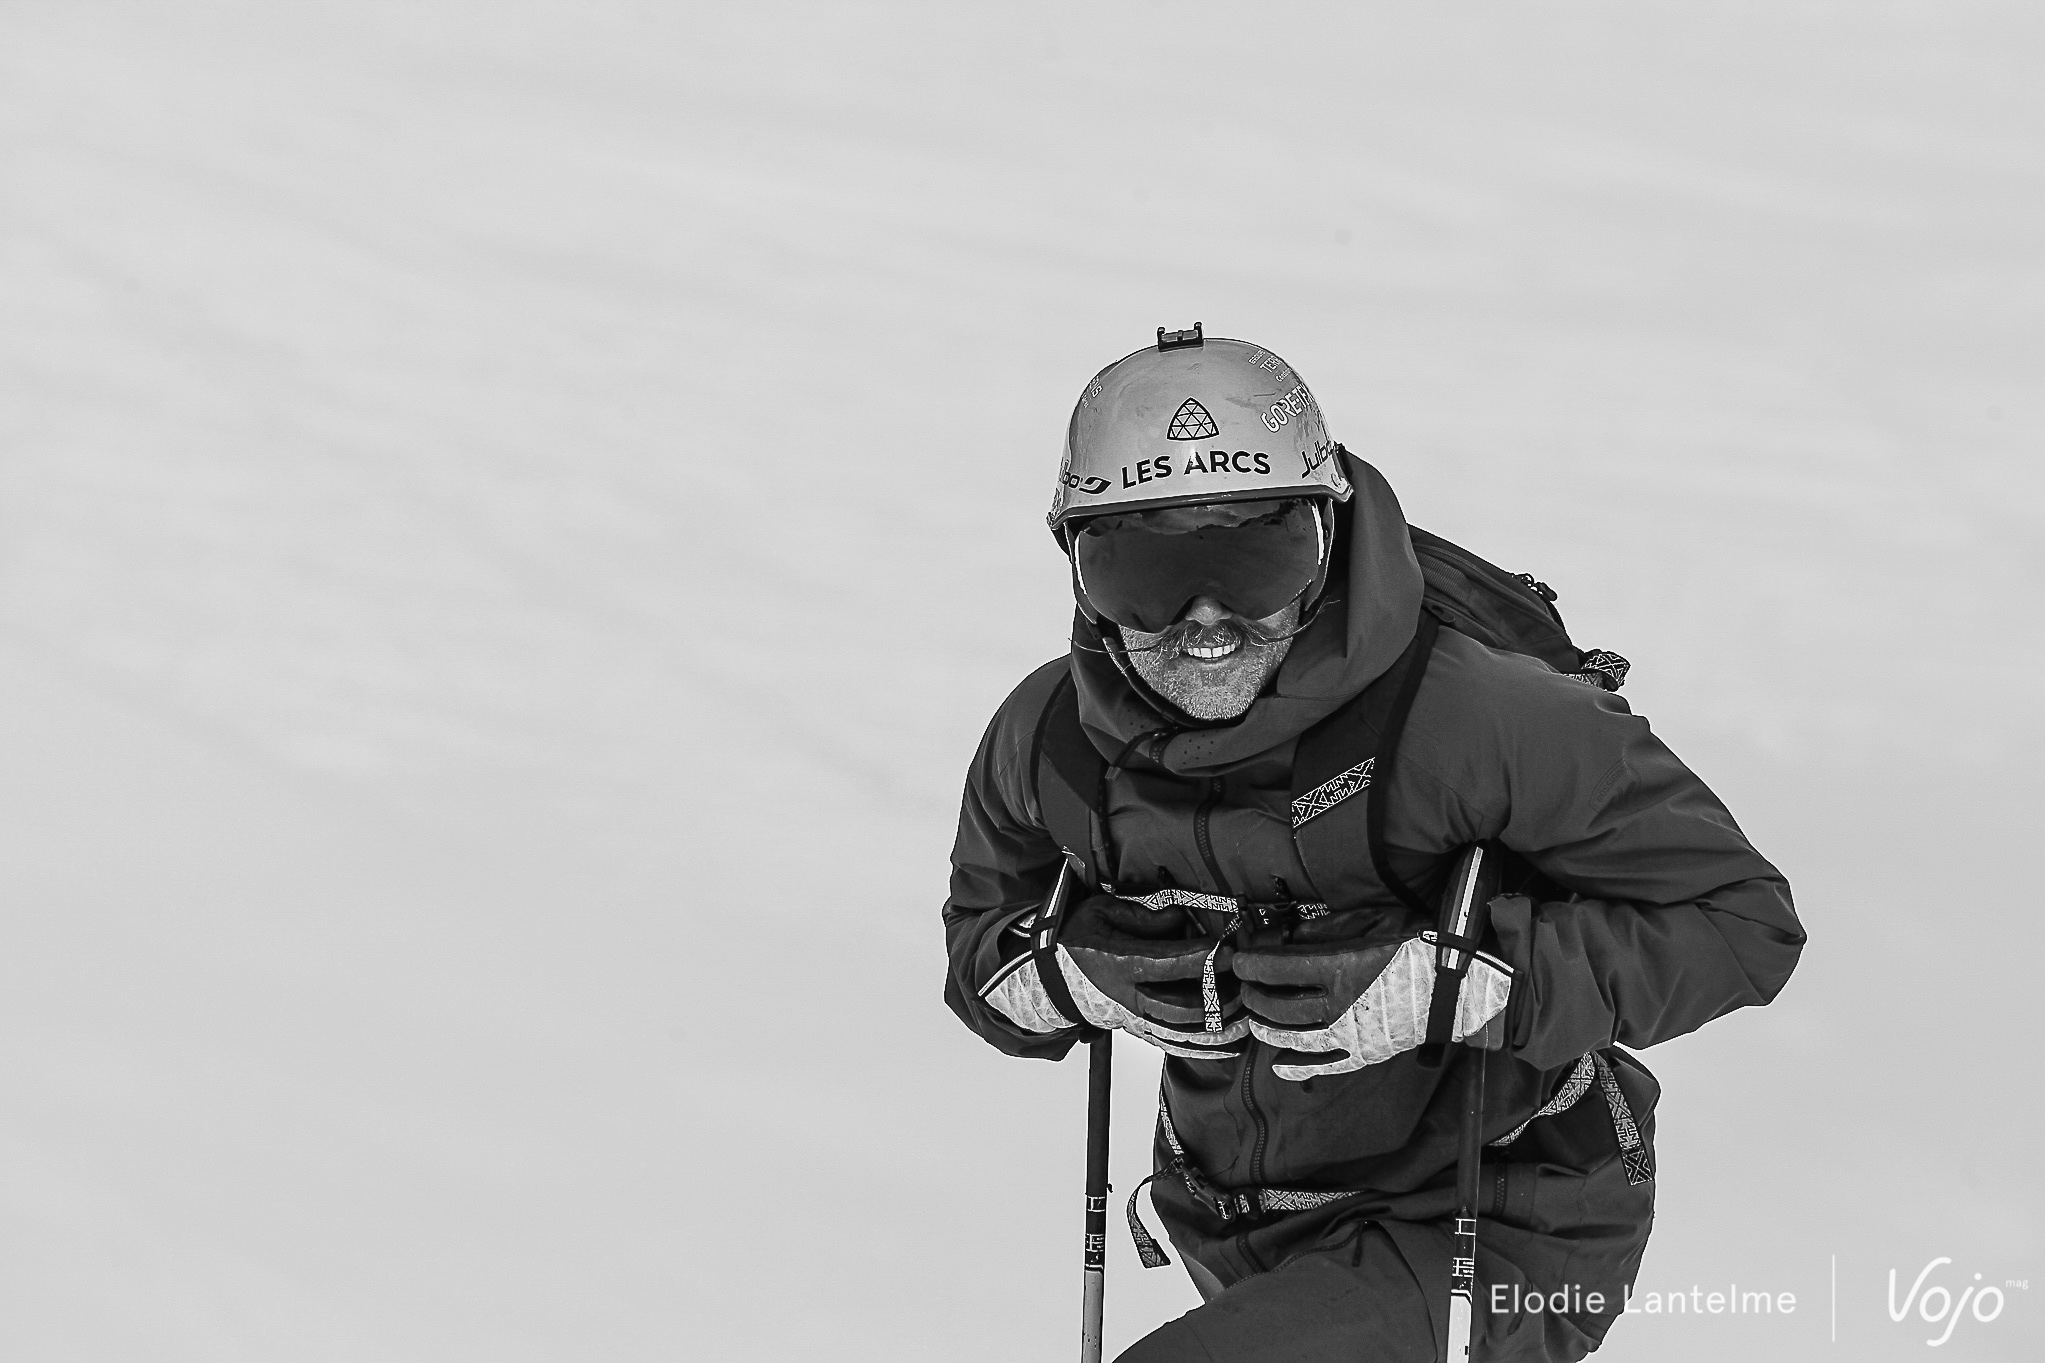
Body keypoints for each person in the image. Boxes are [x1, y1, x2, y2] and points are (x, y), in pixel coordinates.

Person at [942, 327, 1805, 1361]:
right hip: (1233, 1224)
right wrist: (1065, 979)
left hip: (1503, 1213)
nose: (1205, 623)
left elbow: (1740, 923)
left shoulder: (1481, 722)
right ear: (1075, 563)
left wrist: (1475, 985)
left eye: (1254, 560)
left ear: (1325, 535)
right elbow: (980, 949)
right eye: (1145, 573)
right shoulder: (1048, 744)